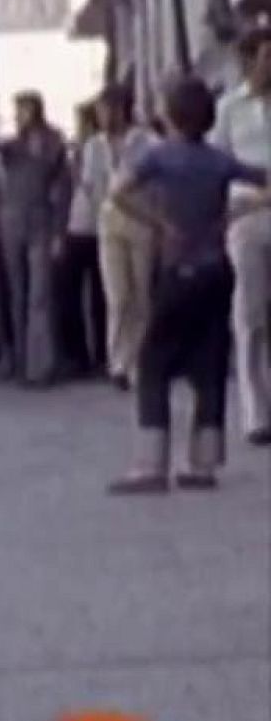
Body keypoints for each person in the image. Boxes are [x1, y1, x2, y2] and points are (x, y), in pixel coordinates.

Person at [107, 76, 270, 494]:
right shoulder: (218, 160)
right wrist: (232, 215)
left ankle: (151, 461)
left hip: (177, 267)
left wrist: (160, 224)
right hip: (217, 268)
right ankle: (203, 461)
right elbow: (264, 184)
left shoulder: (158, 158)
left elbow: (119, 194)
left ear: (170, 114)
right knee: (209, 360)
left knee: (154, 362)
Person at [210, 27, 271, 447]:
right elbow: (217, 163)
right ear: (250, 61)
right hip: (247, 215)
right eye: (267, 56)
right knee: (249, 314)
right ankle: (256, 414)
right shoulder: (228, 107)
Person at [0, 91, 72, 385]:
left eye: (23, 110)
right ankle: (19, 361)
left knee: (40, 294)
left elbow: (63, 190)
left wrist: (59, 232)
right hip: (12, 220)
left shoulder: (54, 143)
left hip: (41, 219)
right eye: (17, 111)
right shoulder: (12, 146)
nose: (19, 116)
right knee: (17, 293)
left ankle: (40, 365)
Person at [91, 84, 161, 390]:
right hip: (110, 219)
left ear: (122, 109)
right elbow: (91, 184)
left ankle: (141, 359)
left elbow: (159, 177)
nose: (104, 116)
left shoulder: (145, 142)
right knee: (118, 295)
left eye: (108, 109)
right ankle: (118, 360)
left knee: (141, 292)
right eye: (100, 110)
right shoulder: (94, 146)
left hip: (141, 218)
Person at [57, 101, 106, 378]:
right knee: (70, 292)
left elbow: (90, 185)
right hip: (76, 226)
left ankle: (101, 353)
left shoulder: (98, 150)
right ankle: (78, 355)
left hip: (97, 225)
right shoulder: (76, 150)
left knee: (101, 294)